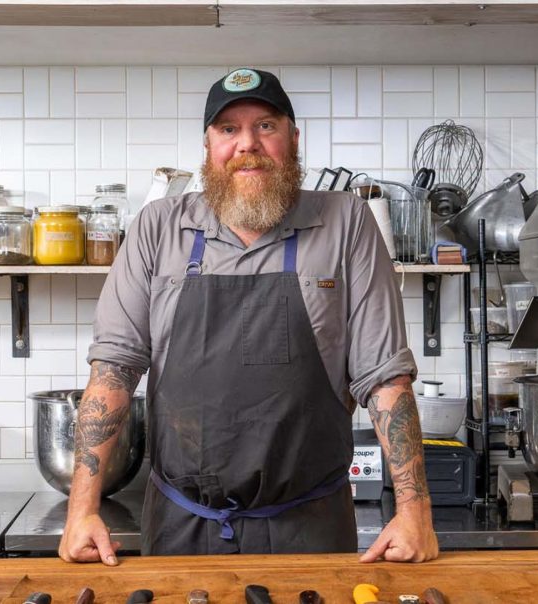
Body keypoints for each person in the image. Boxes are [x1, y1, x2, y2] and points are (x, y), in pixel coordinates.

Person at [59, 67, 438, 564]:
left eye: (265, 126)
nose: (247, 144)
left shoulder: (346, 221)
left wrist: (414, 510)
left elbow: (385, 377)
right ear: (208, 146)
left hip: (310, 527)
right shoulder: (158, 227)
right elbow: (114, 370)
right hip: (180, 525)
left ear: (293, 139)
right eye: (228, 129)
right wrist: (82, 509)